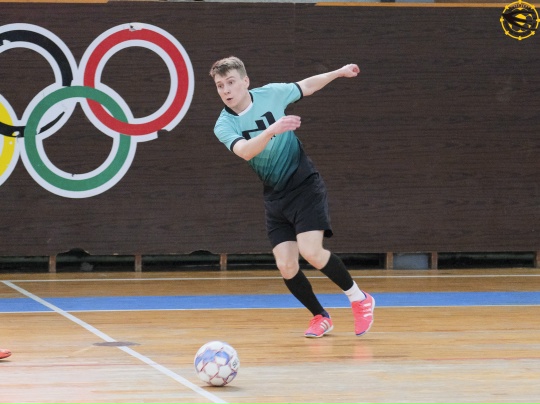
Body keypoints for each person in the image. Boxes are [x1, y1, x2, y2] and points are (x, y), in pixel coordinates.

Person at [210, 56, 374, 338]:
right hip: (275, 196)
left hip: (304, 186)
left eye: (231, 82)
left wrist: (338, 72)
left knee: (311, 252)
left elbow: (306, 86)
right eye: (220, 85)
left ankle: (359, 299)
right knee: (286, 265)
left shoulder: (271, 94)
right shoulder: (223, 124)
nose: (226, 90)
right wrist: (271, 130)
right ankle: (320, 316)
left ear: (245, 82)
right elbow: (245, 151)